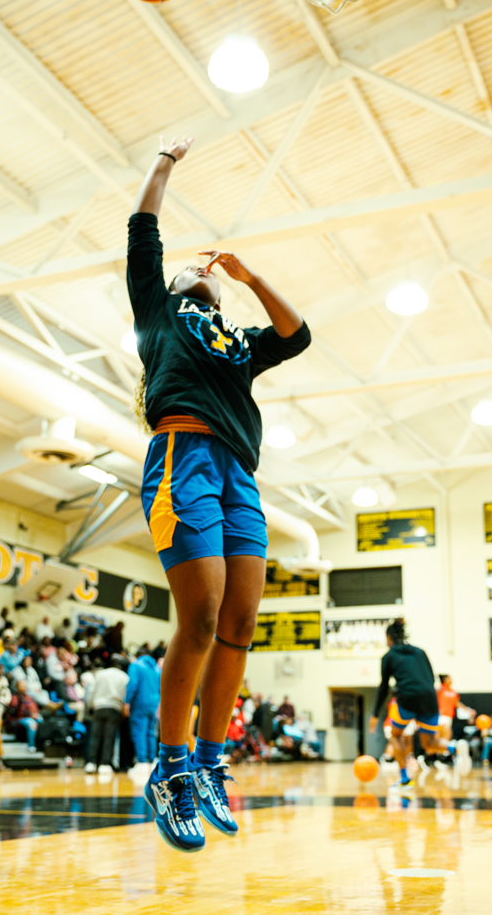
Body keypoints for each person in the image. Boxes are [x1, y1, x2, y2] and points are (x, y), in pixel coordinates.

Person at [128, 136, 311, 852]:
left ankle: (208, 763)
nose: (198, 276)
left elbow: (295, 336)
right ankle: (169, 771)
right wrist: (164, 163)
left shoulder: (236, 343)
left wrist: (250, 274)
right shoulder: (160, 318)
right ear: (173, 292)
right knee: (199, 617)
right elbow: (144, 233)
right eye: (190, 275)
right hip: (183, 456)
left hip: (240, 473)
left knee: (239, 624)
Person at [369, 620, 469, 786]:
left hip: (407, 698)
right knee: (429, 743)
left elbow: (383, 687)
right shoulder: (420, 652)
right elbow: (430, 678)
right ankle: (455, 748)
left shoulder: (389, 656)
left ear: (388, 638)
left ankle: (404, 779)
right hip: (429, 699)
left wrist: (374, 714)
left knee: (395, 735)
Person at [86, 658, 130, 775]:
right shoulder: (124, 677)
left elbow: (91, 691)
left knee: (95, 736)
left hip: (99, 707)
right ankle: (104, 764)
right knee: (109, 737)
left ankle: (91, 763)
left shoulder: (100, 674)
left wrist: (91, 705)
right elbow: (125, 695)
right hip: (114, 708)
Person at [126, 650, 161, 778]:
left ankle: (141, 762)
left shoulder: (136, 665)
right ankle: (152, 760)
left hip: (140, 702)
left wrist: (127, 702)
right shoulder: (156, 668)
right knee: (150, 732)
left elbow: (132, 684)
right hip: (154, 703)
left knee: (139, 732)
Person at [437, 675, 475, 741]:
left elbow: (457, 703)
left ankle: (444, 750)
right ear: (445, 679)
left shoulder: (453, 691)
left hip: (449, 716)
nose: (451, 679)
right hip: (440, 715)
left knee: (447, 733)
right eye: (449, 678)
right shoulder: (440, 689)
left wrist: (468, 710)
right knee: (439, 733)